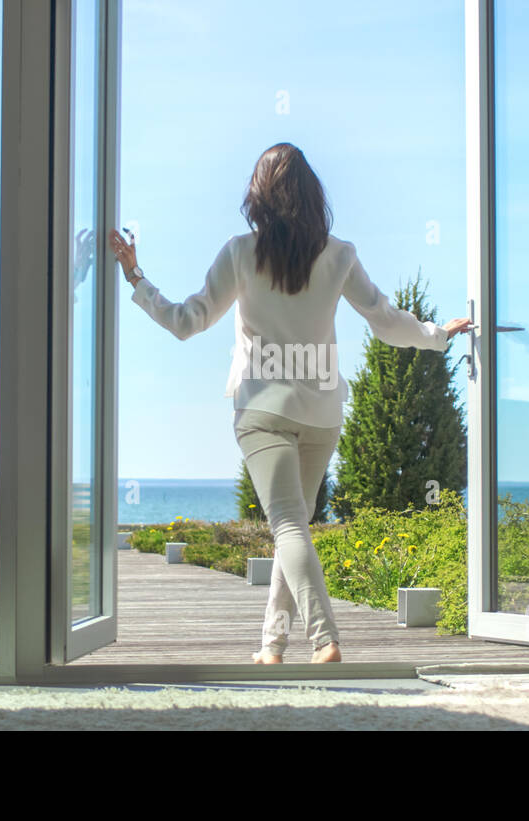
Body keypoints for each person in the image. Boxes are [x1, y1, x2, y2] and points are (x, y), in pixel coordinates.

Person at [109, 142, 473, 664]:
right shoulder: (339, 254)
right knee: (293, 526)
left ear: (258, 195)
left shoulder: (240, 252)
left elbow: (187, 322)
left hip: (263, 413)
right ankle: (271, 646)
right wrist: (438, 335)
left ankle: (325, 639)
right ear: (311, 195)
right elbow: (386, 320)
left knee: (287, 525)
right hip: (321, 415)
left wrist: (137, 279)